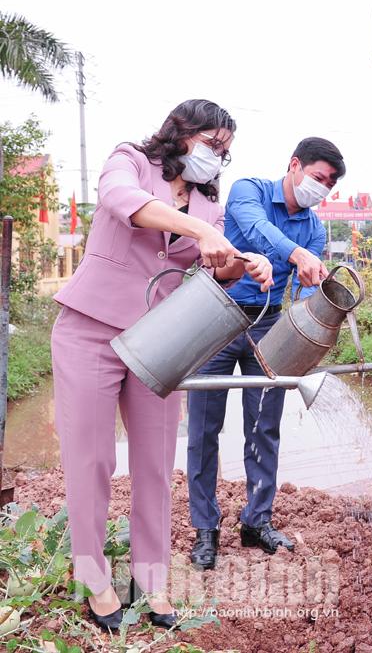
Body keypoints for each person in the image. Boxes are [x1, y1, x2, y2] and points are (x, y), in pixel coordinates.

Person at [51, 100, 273, 631]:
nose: (215, 158)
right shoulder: (130, 161)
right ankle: (94, 578)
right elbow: (121, 201)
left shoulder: (208, 207)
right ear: (181, 132)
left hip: (161, 342)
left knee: (154, 468)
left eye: (224, 151)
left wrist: (245, 264)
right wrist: (201, 234)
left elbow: (211, 271)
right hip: (90, 329)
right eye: (210, 144)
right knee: (93, 460)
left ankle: (150, 580)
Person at [187, 138, 343, 569]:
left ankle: (256, 520)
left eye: (329, 184)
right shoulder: (249, 191)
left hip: (270, 323)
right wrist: (296, 253)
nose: (322, 188)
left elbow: (304, 280)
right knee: (204, 427)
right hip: (216, 314)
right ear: (294, 165)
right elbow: (257, 231)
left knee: (264, 425)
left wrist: (317, 283)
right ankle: (205, 528)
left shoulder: (314, 228)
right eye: (318, 177)